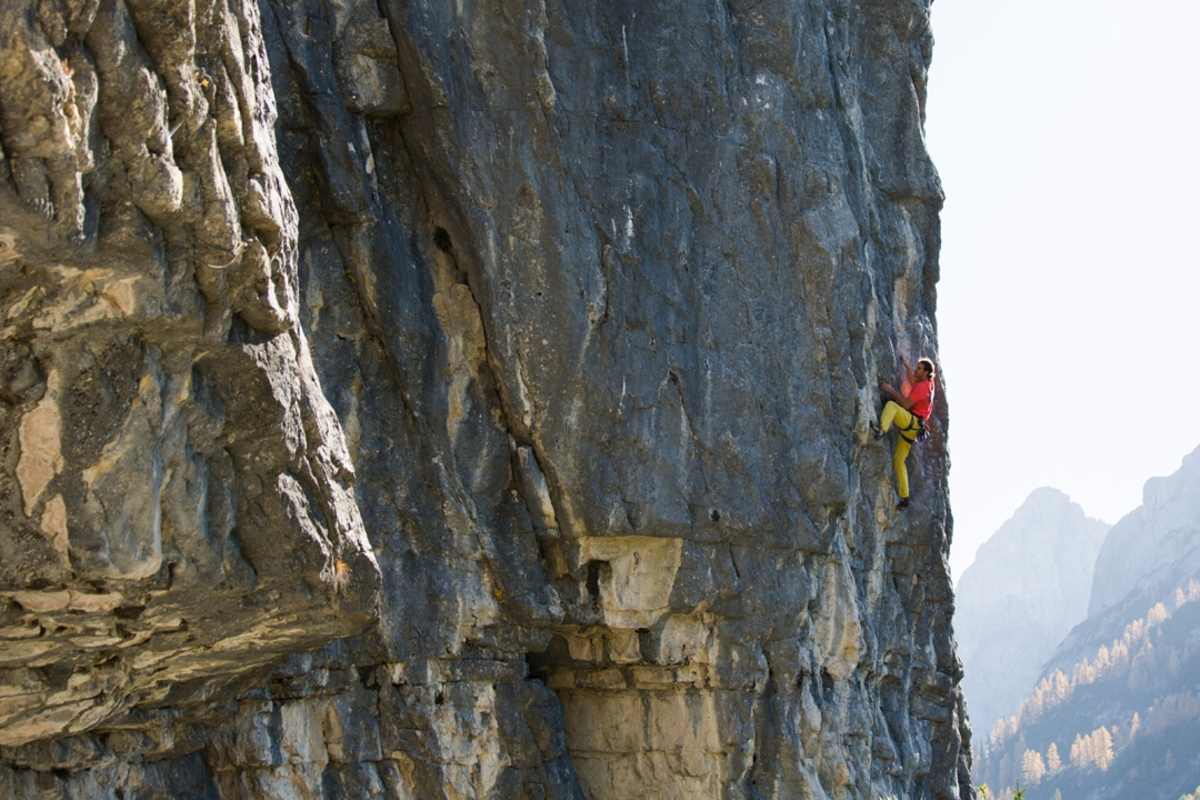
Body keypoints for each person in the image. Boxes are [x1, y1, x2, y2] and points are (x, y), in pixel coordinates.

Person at [872, 357, 936, 509]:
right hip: (914, 430)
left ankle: (882, 429)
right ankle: (905, 497)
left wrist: (890, 389)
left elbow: (905, 404)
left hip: (912, 422)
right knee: (899, 460)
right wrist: (907, 366)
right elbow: (914, 382)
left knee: (892, 406)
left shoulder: (923, 387)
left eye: (919, 368)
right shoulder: (928, 385)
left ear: (926, 372)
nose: (916, 370)